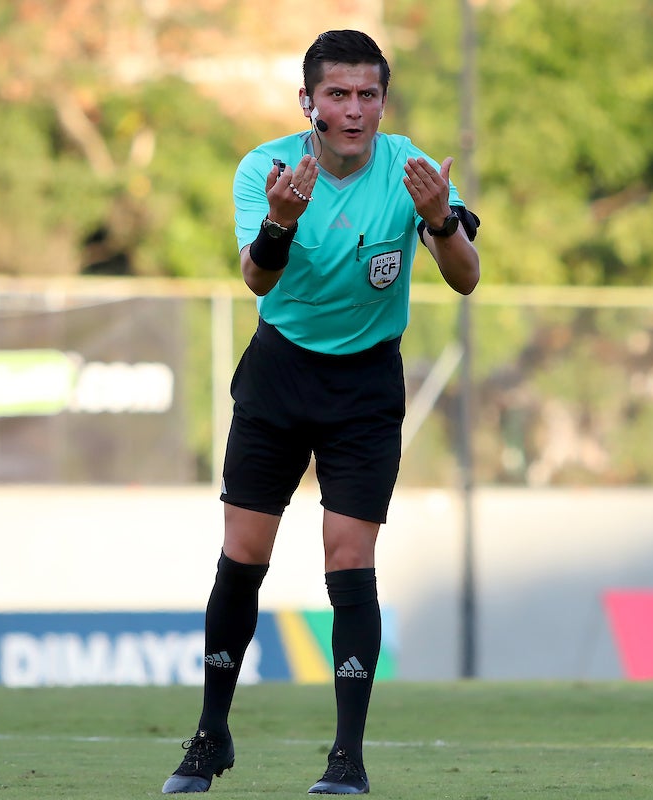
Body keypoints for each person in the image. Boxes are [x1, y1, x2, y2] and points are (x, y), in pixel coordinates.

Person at [161, 29, 480, 795]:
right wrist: (280, 221)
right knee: (243, 553)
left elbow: (467, 277)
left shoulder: (410, 169)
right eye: (338, 94)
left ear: (384, 102)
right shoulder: (266, 170)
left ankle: (347, 758)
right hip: (280, 374)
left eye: (369, 94)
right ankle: (210, 734)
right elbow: (258, 280)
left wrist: (440, 220)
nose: (355, 110)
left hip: (365, 387)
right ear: (307, 101)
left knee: (349, 557)